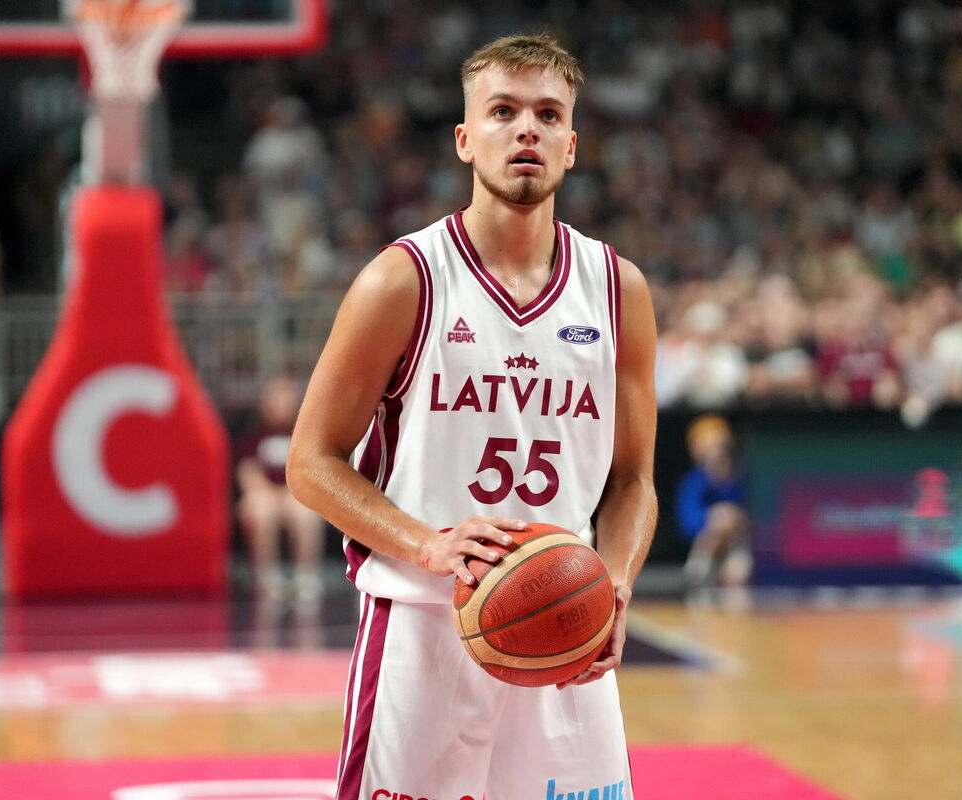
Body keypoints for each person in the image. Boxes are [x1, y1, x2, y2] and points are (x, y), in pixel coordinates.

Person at [287, 34, 658, 800]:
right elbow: (310, 462)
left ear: (570, 145)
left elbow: (631, 481)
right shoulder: (403, 281)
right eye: (503, 111)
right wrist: (428, 544)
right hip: (425, 630)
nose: (527, 129)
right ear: (465, 138)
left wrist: (614, 585)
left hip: (566, 626)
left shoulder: (619, 290)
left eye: (548, 114)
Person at [236, 375, 326, 605]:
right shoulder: (254, 436)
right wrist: (265, 492)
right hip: (264, 494)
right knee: (261, 509)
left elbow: (312, 470)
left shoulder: (304, 435)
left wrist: (292, 492)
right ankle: (267, 576)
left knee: (304, 512)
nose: (280, 405)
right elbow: (247, 472)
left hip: (294, 493)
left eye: (285, 399)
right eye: (274, 399)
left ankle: (306, 575)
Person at [674, 414, 751, 595]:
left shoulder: (741, 477)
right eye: (708, 448)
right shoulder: (692, 483)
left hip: (738, 544)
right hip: (705, 543)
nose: (714, 454)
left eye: (719, 447)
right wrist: (716, 518)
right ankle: (696, 574)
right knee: (721, 519)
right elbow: (688, 524)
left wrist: (733, 517)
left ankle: (736, 567)